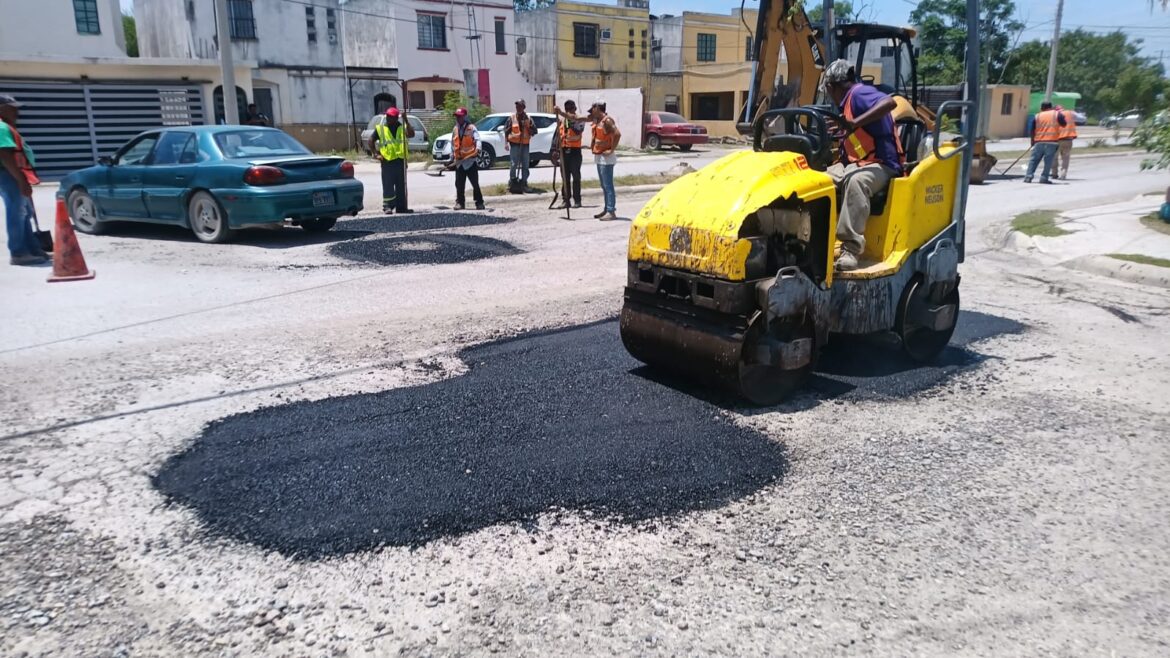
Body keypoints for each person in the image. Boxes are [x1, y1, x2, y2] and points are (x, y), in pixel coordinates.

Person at [820, 60, 902, 272]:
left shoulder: (858, 94)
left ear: (832, 86)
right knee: (815, 180)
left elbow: (889, 103)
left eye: (828, 90)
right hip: (854, 163)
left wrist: (854, 123)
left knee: (856, 181)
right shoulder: (845, 104)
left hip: (881, 164)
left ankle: (850, 249)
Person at [0, 94, 50, 266]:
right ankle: (19, 252)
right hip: (8, 175)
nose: (16, 111)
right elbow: (5, 155)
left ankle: (32, 248)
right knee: (17, 213)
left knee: (24, 213)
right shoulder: (1, 127)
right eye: (12, 107)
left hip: (11, 174)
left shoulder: (6, 126)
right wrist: (21, 181)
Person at [368, 107, 414, 213]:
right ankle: (387, 206)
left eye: (391, 117)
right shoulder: (381, 129)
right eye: (387, 116)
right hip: (387, 161)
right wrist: (375, 154)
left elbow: (411, 134)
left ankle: (401, 207)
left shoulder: (401, 128)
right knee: (388, 185)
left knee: (401, 185)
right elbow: (371, 140)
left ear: (396, 118)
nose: (388, 118)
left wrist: (406, 120)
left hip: (400, 161)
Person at [589, 101, 620, 220]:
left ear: (598, 108)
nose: (591, 110)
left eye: (593, 108)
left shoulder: (607, 121)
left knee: (608, 185)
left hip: (606, 158)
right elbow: (578, 117)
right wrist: (561, 113)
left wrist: (612, 150)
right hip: (600, 156)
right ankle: (607, 209)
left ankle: (611, 211)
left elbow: (617, 134)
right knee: (604, 185)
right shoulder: (598, 120)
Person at [553, 100, 585, 208]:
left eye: (571, 109)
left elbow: (577, 131)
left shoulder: (579, 119)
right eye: (567, 110)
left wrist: (567, 118)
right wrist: (555, 150)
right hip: (564, 151)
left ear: (575, 109)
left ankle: (577, 200)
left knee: (576, 177)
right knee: (565, 177)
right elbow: (558, 135)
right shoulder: (563, 121)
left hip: (575, 152)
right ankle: (566, 200)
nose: (569, 111)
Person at [451, 107, 484, 210]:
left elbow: (478, 139)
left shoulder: (471, 128)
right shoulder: (455, 129)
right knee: (459, 184)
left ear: (464, 117)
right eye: (457, 116)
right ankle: (460, 203)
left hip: (470, 161)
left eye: (460, 116)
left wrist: (478, 148)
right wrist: (452, 155)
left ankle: (479, 203)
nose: (458, 118)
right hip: (460, 162)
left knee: (475, 184)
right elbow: (453, 143)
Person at [1024, 101, 1064, 185]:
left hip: (1039, 141)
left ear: (1042, 108)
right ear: (1051, 107)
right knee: (1048, 161)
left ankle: (1028, 176)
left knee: (1033, 160)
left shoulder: (1037, 116)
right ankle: (1044, 178)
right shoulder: (1056, 114)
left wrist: (1032, 141)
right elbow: (1064, 124)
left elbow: (1032, 129)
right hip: (1051, 142)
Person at [503, 99, 537, 193]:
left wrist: (527, 127)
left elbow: (534, 131)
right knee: (513, 164)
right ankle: (513, 183)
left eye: (520, 106)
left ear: (524, 107)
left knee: (525, 165)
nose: (518, 108)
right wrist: (506, 143)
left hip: (525, 145)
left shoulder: (529, 118)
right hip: (514, 144)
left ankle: (524, 183)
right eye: (517, 106)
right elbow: (506, 131)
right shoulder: (512, 118)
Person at [1049, 104, 1078, 180]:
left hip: (1056, 140)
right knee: (1065, 158)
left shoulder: (1054, 115)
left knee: (1054, 157)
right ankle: (1063, 174)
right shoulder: (1069, 113)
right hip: (1068, 139)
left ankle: (1054, 173)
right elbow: (1078, 118)